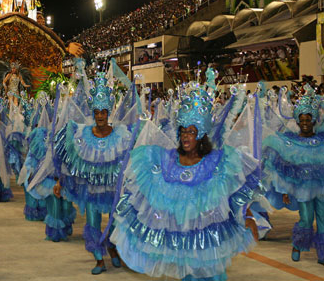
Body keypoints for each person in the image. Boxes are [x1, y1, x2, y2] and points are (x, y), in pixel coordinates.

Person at [111, 73, 260, 281]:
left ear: (201, 135)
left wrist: (249, 216)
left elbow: (233, 192)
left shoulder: (217, 161)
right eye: (182, 131)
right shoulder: (167, 161)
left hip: (209, 241)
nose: (185, 136)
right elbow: (144, 191)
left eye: (191, 131)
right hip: (182, 242)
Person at [53, 72, 133, 275]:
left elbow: (131, 162)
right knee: (92, 223)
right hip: (90, 190)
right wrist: (60, 182)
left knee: (115, 222)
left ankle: (112, 247)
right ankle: (99, 259)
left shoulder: (122, 135)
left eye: (103, 112)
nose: (99, 116)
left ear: (109, 112)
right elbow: (71, 162)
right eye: (96, 112)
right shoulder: (82, 135)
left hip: (113, 190)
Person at [263, 85, 324, 265]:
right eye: (301, 120)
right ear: (297, 121)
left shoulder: (321, 141)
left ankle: (322, 252)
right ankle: (298, 244)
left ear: (314, 121)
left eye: (308, 120)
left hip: (321, 188)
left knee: (323, 218)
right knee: (306, 217)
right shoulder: (292, 143)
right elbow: (285, 170)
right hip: (304, 190)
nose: (305, 123)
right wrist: (284, 191)